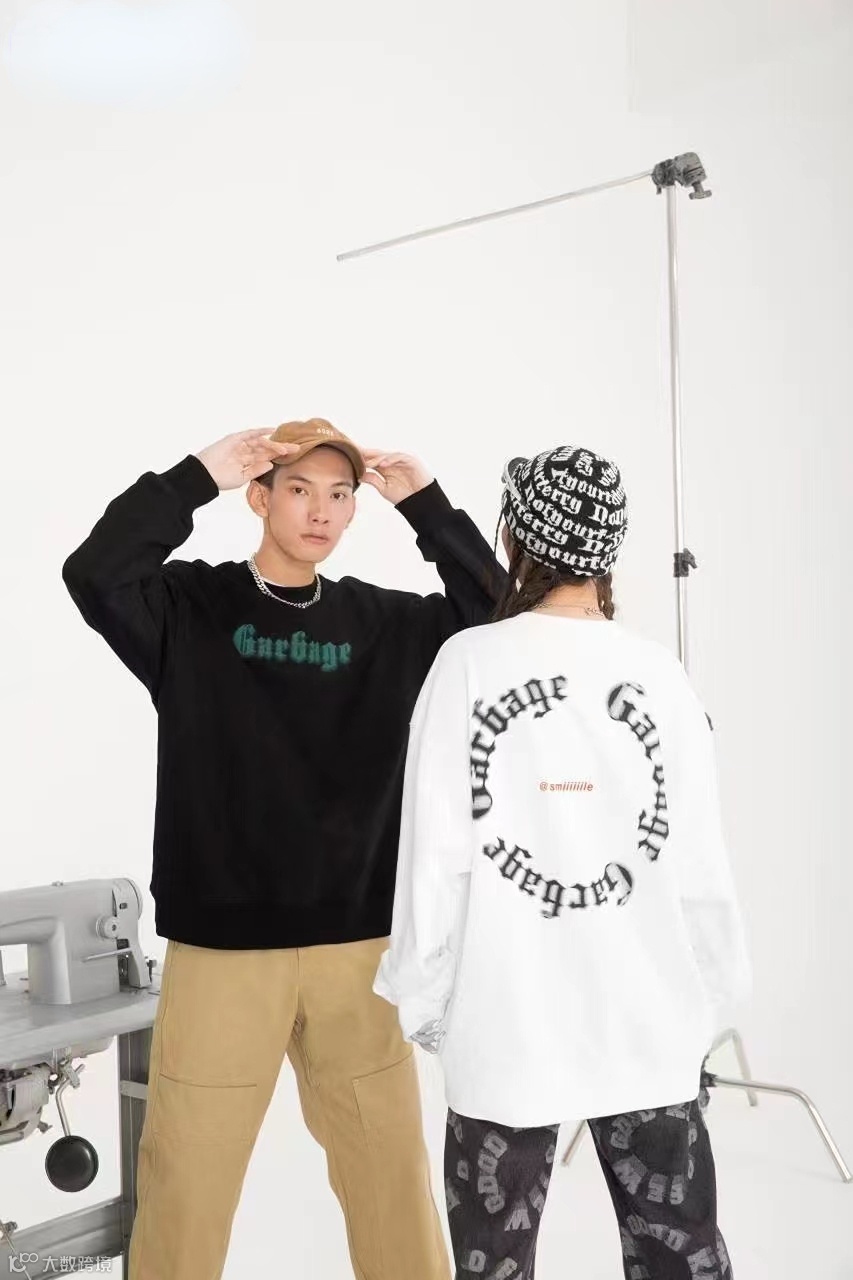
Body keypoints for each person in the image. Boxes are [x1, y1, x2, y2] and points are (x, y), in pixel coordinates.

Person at [61, 418, 508, 1280]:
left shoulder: (385, 624)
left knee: (390, 1177)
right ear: (259, 498)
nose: (320, 512)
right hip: (224, 953)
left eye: (339, 495)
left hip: (356, 950)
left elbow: (499, 622)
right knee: (186, 1178)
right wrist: (197, 475)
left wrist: (426, 506)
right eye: (299, 490)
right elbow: (94, 571)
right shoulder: (187, 609)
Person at [374, 445, 751, 1280]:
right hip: (647, 1014)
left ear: (514, 536)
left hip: (505, 1016)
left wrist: (424, 997)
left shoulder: (468, 663)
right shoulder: (660, 674)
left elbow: (433, 853)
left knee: (494, 1263)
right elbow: (697, 857)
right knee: (678, 1254)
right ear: (608, 547)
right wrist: (710, 990)